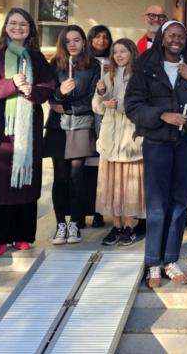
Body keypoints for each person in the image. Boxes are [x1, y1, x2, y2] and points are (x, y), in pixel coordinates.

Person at [126, 20, 187, 288]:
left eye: (181, 36)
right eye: (172, 35)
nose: (177, 40)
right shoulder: (146, 64)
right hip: (157, 142)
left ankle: (170, 260)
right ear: (163, 38)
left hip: (185, 142)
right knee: (157, 204)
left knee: (178, 203)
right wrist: (161, 115)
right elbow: (132, 105)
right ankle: (153, 262)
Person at [0, 8, 57, 257]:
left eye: (23, 24)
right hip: (3, 129)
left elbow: (48, 85)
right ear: (5, 27)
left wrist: (30, 91)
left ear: (30, 29)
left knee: (26, 182)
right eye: (13, 23)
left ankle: (23, 235)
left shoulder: (36, 57)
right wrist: (12, 83)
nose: (18, 28)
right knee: (2, 182)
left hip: (29, 129)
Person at [44, 25, 100, 246]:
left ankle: (75, 222)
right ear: (63, 44)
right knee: (60, 177)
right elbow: (49, 95)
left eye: (77, 40)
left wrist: (67, 106)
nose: (73, 44)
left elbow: (93, 97)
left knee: (77, 176)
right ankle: (60, 224)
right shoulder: (54, 64)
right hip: (58, 126)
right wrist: (60, 93)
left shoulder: (92, 65)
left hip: (81, 123)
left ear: (84, 41)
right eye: (68, 41)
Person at [94, 39, 145, 246]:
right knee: (112, 185)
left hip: (130, 137)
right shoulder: (108, 75)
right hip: (110, 136)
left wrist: (118, 105)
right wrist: (100, 94)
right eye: (115, 52)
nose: (119, 55)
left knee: (130, 185)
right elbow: (97, 107)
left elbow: (140, 105)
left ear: (132, 52)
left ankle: (129, 226)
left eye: (123, 51)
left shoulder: (140, 77)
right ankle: (115, 225)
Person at [83, 24, 114, 229]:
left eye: (105, 37)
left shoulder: (114, 61)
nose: (101, 41)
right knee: (88, 166)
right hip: (87, 115)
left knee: (103, 166)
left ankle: (100, 211)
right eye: (97, 37)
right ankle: (87, 210)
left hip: (106, 116)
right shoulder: (84, 62)